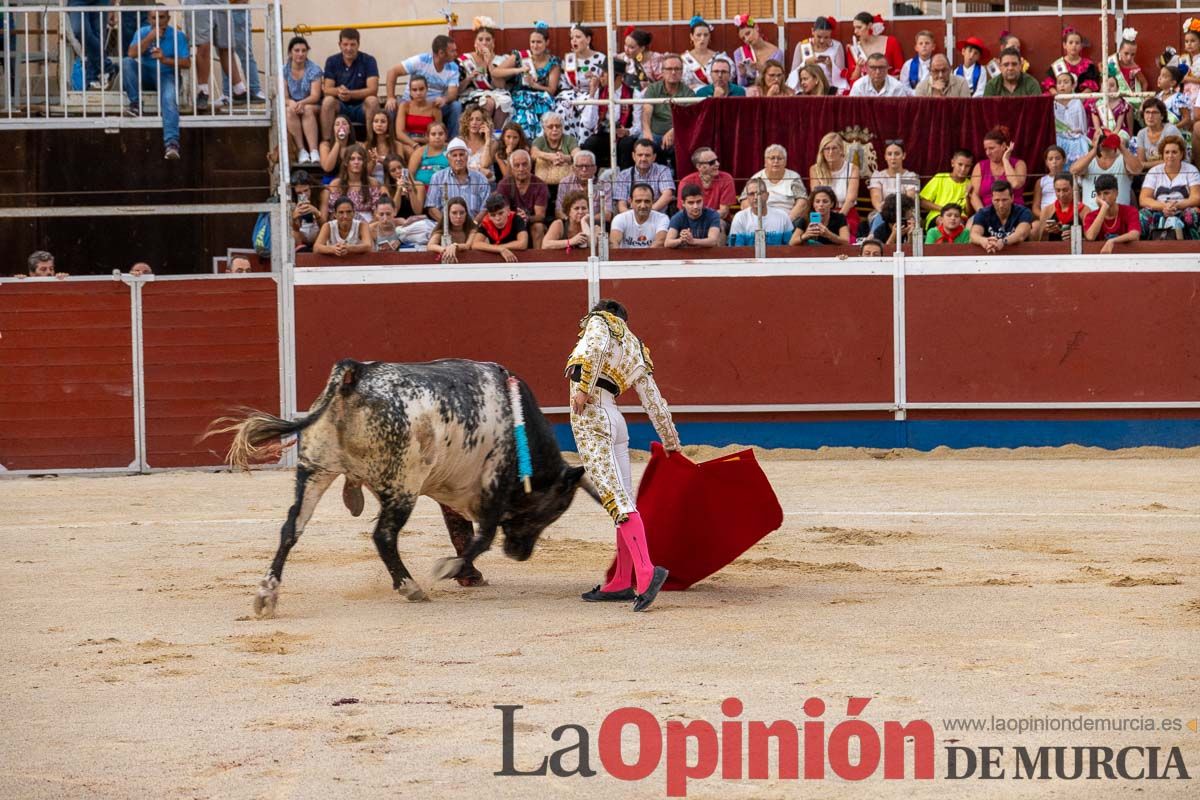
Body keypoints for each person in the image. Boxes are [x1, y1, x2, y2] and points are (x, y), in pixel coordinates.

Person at [566, 299, 677, 611]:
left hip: (592, 418)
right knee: (624, 497)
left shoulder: (600, 323)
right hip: (616, 419)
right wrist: (670, 440)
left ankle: (645, 573)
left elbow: (595, 349)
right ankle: (620, 582)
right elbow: (654, 400)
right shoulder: (636, 348)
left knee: (617, 500)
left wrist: (584, 387)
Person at [122, 7, 189, 160]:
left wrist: (165, 60)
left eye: (162, 17)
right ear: (148, 19)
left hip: (167, 74)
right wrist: (150, 37)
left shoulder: (178, 35)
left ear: (169, 18)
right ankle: (135, 105)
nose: (158, 21)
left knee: (169, 99)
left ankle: (172, 143)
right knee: (126, 63)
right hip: (146, 74)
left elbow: (187, 63)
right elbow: (131, 54)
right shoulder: (143, 32)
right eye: (154, 18)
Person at [384, 34, 459, 139]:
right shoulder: (421, 60)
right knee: (390, 107)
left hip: (434, 105)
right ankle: (390, 143)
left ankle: (453, 143)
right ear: (441, 53)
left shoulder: (453, 67)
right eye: (452, 51)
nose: (456, 54)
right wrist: (390, 97)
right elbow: (392, 72)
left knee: (456, 106)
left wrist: (444, 99)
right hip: (409, 103)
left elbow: (453, 93)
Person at [579, 57, 643, 169]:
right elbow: (588, 124)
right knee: (590, 143)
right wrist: (592, 94)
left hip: (624, 136)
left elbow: (638, 127)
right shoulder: (599, 92)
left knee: (626, 145)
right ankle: (594, 180)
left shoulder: (634, 94)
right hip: (605, 134)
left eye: (605, 73)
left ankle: (624, 180)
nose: (601, 76)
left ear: (618, 76)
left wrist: (627, 131)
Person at [320, 28, 380, 141]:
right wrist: (339, 91)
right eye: (345, 44)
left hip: (361, 107)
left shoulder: (369, 60)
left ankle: (372, 142)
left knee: (372, 100)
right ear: (339, 45)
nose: (349, 48)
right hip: (340, 106)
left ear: (358, 44)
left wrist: (350, 94)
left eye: (353, 44)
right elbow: (327, 89)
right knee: (328, 101)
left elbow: (373, 90)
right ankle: (327, 142)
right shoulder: (332, 61)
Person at [1138, 135, 1200, 239]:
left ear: (1181, 154)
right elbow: (1144, 199)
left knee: (1192, 215)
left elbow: (1196, 198)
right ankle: (1146, 250)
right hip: (1159, 211)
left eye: (1174, 152)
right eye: (1167, 152)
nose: (1170, 155)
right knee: (1141, 216)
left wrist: (1176, 206)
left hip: (1183, 210)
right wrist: (1163, 206)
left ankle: (1192, 249)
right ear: (1162, 154)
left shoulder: (1191, 170)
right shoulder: (1154, 171)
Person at [641, 54, 695, 171]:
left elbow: (688, 120)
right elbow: (646, 112)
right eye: (669, 69)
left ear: (682, 71)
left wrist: (673, 131)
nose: (673, 72)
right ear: (663, 71)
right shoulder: (653, 89)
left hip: (679, 134)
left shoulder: (688, 93)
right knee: (642, 145)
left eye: (677, 69)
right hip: (654, 133)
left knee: (685, 147)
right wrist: (647, 132)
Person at [507, 22, 560, 139]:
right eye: (533, 42)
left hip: (542, 99)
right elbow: (497, 72)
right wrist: (517, 70)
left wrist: (533, 85)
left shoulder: (553, 62)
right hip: (521, 98)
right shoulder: (521, 57)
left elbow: (551, 90)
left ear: (547, 43)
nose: (535, 46)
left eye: (539, 42)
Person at [457, 18, 512, 127]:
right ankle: (482, 134)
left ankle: (496, 135)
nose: (484, 43)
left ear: (493, 42)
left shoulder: (501, 60)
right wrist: (470, 77)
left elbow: (500, 86)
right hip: (472, 94)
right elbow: (457, 90)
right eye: (480, 39)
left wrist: (489, 63)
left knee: (504, 101)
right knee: (488, 102)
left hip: (496, 93)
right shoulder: (465, 60)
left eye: (488, 40)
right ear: (475, 42)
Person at [424, 137, 492, 223]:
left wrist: (473, 225)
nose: (458, 159)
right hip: (445, 227)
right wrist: (447, 225)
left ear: (467, 157)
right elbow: (431, 207)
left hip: (474, 227)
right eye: (454, 155)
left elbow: (486, 207)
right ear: (448, 159)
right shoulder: (437, 178)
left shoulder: (480, 179)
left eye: (461, 155)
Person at [557, 25, 607, 141]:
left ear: (588, 39)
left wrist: (596, 79)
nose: (574, 40)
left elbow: (606, 82)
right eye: (572, 38)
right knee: (562, 108)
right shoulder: (569, 59)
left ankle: (584, 144)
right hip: (572, 94)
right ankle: (569, 143)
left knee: (587, 110)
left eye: (578, 37)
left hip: (592, 94)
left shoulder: (600, 58)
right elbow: (563, 82)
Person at [1070, 130, 1142, 211]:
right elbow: (1074, 171)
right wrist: (1095, 150)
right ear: (1093, 142)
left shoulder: (1123, 159)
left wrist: (1121, 146)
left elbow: (1137, 170)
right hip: (1091, 215)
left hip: (1118, 215)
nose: (1104, 140)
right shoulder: (1088, 160)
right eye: (1100, 138)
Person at [496, 149, 549, 248]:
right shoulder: (504, 184)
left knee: (538, 226)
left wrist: (526, 218)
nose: (521, 169)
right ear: (511, 168)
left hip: (531, 222)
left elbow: (540, 215)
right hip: (510, 222)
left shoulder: (540, 185)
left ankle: (539, 259)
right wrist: (517, 218)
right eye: (517, 165)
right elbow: (504, 212)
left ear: (530, 166)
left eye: (525, 164)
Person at [284, 36, 324, 166]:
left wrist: (302, 102)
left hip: (312, 105)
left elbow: (315, 95)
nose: (300, 54)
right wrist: (291, 103)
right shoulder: (284, 70)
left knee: (306, 110)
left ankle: (313, 150)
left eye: (303, 50)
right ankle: (301, 151)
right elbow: (284, 96)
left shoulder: (314, 69)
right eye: (296, 50)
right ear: (290, 52)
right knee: (289, 110)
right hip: (293, 105)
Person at [749, 143, 809, 224]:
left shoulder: (793, 177)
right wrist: (759, 219)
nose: (776, 161)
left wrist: (787, 220)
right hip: (761, 220)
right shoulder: (757, 178)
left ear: (785, 162)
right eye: (772, 158)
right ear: (765, 161)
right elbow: (745, 201)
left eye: (780, 158)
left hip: (788, 219)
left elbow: (802, 201)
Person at [810, 132, 861, 226]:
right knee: (813, 237)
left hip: (846, 213)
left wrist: (838, 219)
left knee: (843, 235)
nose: (830, 152)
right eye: (827, 148)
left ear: (841, 150)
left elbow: (850, 200)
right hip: (821, 213)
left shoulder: (852, 169)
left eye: (834, 148)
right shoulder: (815, 169)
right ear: (822, 151)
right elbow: (816, 199)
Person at [971, 126, 1027, 210]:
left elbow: (1015, 184)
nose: (988, 153)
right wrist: (982, 214)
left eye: (991, 148)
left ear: (1003, 146)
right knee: (971, 223)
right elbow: (974, 195)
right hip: (987, 212)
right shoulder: (980, 166)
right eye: (985, 149)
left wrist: (1005, 160)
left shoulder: (1019, 164)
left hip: (1015, 212)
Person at [969, 180, 1033, 252]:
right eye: (997, 200)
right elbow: (974, 234)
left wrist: (1003, 242)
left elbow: (1020, 235)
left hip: (1018, 255)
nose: (1001, 205)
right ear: (992, 199)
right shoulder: (983, 213)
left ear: (1012, 198)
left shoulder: (1024, 212)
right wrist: (984, 241)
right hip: (989, 254)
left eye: (1004, 200)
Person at [788, 16, 847, 94]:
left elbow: (841, 76)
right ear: (812, 31)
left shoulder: (837, 46)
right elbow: (793, 75)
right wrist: (806, 63)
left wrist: (831, 66)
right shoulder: (802, 45)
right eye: (819, 37)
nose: (822, 41)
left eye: (826, 37)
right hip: (805, 90)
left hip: (828, 89)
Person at [613, 139, 674, 214]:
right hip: (631, 219)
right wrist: (633, 218)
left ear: (654, 157)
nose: (643, 159)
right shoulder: (623, 175)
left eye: (647, 155)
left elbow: (667, 195)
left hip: (657, 218)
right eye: (640, 155)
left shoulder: (663, 171)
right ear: (633, 156)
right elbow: (621, 205)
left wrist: (647, 213)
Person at [1084, 174, 1142, 252]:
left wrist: (1112, 241)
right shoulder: (1091, 216)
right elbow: (1090, 237)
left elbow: (1134, 234)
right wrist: (1103, 209)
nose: (1102, 198)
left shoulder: (1130, 211)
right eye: (1099, 194)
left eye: (1106, 193)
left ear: (1116, 193)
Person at [728, 178, 794, 246]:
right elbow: (736, 250)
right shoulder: (740, 218)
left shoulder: (782, 216)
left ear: (767, 195)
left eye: (760, 193)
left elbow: (789, 247)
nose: (756, 197)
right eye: (751, 194)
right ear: (747, 197)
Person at [326, 144, 383, 222]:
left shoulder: (372, 182)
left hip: (369, 224)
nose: (356, 162)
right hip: (344, 222)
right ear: (346, 162)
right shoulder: (336, 184)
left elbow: (377, 211)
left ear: (364, 162)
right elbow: (333, 213)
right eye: (352, 159)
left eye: (360, 159)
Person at [677, 148, 736, 223]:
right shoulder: (686, 182)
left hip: (718, 219)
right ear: (699, 166)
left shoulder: (726, 178)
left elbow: (723, 213)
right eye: (712, 162)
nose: (717, 164)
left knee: (719, 224)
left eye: (717, 160)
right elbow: (683, 210)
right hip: (692, 221)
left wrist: (703, 220)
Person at [868, 139, 919, 223]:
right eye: (889, 154)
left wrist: (897, 215)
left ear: (904, 156)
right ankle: (874, 236)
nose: (893, 157)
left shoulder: (911, 176)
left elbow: (909, 199)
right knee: (880, 220)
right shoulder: (878, 176)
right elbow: (876, 199)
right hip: (882, 212)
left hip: (905, 213)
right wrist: (886, 213)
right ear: (885, 157)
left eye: (897, 154)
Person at [469, 193, 529, 262]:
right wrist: (500, 250)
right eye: (493, 215)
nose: (497, 218)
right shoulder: (486, 222)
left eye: (500, 213)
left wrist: (499, 247)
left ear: (508, 211)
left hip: (518, 259)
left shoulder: (516, 219)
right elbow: (475, 244)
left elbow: (522, 243)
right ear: (489, 215)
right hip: (496, 259)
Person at [845, 12, 903, 83]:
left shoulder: (891, 42)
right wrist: (858, 67)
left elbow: (901, 71)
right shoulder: (854, 49)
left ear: (869, 25)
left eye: (859, 27)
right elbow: (852, 79)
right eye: (854, 28)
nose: (855, 31)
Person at [920, 150, 974, 226]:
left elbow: (969, 213)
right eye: (960, 164)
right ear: (952, 163)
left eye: (967, 166)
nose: (963, 169)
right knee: (942, 222)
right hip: (938, 215)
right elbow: (922, 202)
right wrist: (944, 210)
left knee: (960, 224)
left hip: (960, 219)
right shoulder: (940, 178)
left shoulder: (970, 184)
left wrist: (967, 197)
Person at [395, 75, 442, 161]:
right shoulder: (404, 106)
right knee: (411, 152)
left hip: (428, 140)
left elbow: (439, 132)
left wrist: (421, 140)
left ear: (427, 89)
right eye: (414, 90)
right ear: (410, 92)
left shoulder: (435, 108)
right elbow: (399, 133)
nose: (418, 93)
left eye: (421, 89)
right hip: (408, 141)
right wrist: (414, 144)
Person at [610, 183, 669, 249]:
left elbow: (660, 242)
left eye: (647, 201)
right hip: (626, 258)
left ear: (652, 202)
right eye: (638, 201)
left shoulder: (662, 218)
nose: (643, 206)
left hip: (651, 258)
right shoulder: (620, 218)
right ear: (631, 202)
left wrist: (643, 258)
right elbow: (614, 243)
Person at [732, 14, 784, 88]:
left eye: (748, 33)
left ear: (756, 28)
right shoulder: (739, 53)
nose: (747, 39)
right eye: (743, 38)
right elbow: (741, 85)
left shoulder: (777, 53)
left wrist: (763, 69)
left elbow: (778, 80)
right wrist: (742, 75)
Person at [555, 150, 609, 222]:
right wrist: (570, 220)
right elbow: (559, 211)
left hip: (594, 224)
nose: (584, 169)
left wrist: (585, 220)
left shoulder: (604, 185)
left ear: (595, 169)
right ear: (573, 168)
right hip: (570, 224)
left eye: (587, 166)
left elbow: (607, 214)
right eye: (580, 166)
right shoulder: (565, 183)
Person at [408, 121, 449, 211]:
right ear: (427, 137)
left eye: (440, 134)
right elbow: (410, 174)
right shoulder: (420, 152)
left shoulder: (450, 150)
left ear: (446, 136)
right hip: (421, 190)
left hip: (443, 189)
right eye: (433, 134)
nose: (437, 137)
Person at [1046, 26, 1100, 95]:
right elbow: (1051, 85)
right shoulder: (1057, 65)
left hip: (1083, 99)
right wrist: (1058, 97)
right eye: (1071, 43)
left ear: (1081, 46)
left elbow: (1090, 86)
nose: (1074, 45)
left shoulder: (1089, 65)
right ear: (1064, 45)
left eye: (1077, 43)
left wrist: (1078, 100)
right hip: (1061, 99)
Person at [531, 111, 580, 187]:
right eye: (550, 127)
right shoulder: (539, 141)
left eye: (558, 126)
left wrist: (564, 158)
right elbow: (534, 153)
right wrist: (551, 157)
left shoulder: (570, 140)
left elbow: (578, 156)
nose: (554, 129)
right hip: (543, 185)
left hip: (567, 185)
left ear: (562, 127)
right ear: (544, 128)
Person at [1133, 98, 1183, 173]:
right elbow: (1141, 162)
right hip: (1152, 173)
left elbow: (1172, 159)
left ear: (1162, 116)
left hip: (1175, 171)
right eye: (1147, 112)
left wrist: (1146, 165)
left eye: (1154, 113)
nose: (1150, 116)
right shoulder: (1141, 134)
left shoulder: (1170, 130)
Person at [1053, 72, 1090, 163]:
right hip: (1059, 137)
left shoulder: (1077, 102)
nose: (1062, 85)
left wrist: (1077, 132)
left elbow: (1082, 125)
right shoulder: (1053, 103)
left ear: (1073, 85)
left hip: (1076, 137)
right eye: (1059, 82)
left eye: (1066, 82)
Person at [426, 197, 476, 263]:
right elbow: (430, 246)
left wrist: (455, 246)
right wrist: (445, 249)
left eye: (462, 213)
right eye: (454, 213)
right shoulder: (442, 231)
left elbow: (468, 245)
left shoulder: (472, 229)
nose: (458, 216)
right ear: (447, 214)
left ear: (466, 214)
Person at [1034, 173, 1079, 242]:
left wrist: (1076, 237)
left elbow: (1090, 241)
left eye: (1065, 190)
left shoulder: (1083, 210)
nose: (1061, 194)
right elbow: (1041, 243)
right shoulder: (1047, 211)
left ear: (1073, 188)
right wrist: (1046, 231)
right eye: (1058, 190)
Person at [682, 16, 723, 91]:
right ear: (691, 36)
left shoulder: (719, 58)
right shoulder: (683, 59)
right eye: (698, 35)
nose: (702, 38)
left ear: (709, 37)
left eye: (706, 35)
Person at [290, 169, 325, 250]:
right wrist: (294, 217)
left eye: (306, 190)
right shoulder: (291, 198)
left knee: (327, 228)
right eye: (299, 193)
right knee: (291, 232)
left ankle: (317, 248)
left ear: (311, 186)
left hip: (318, 231)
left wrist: (316, 212)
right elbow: (295, 229)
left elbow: (324, 224)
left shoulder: (322, 193)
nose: (304, 195)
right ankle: (301, 248)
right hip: (302, 233)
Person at [459, 103, 496, 174]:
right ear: (466, 122)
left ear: (484, 123)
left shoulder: (493, 143)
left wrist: (487, 140)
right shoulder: (460, 141)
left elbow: (485, 164)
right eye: (471, 119)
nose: (474, 122)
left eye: (478, 119)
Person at [1155, 65, 1192, 133]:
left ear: (1173, 82)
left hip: (1176, 135)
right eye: (1159, 75)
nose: (1159, 78)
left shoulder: (1179, 98)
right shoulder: (1158, 97)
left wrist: (1173, 128)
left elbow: (1187, 119)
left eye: (1164, 76)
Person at [365, 111, 399, 185]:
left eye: (383, 122)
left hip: (392, 183)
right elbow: (364, 173)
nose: (379, 125)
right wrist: (373, 162)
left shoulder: (397, 145)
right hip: (372, 183)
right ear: (372, 124)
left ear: (388, 125)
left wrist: (380, 160)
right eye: (376, 121)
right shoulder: (366, 145)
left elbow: (400, 169)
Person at [1032, 146, 1068, 214]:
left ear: (1064, 160)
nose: (1054, 162)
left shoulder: (1070, 179)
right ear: (1046, 162)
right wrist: (1044, 218)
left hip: (1065, 215)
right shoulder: (1041, 181)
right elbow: (1035, 208)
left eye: (1057, 158)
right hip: (1046, 216)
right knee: (1035, 225)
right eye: (1050, 159)